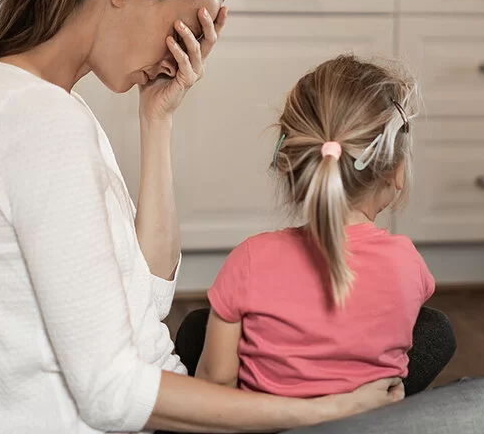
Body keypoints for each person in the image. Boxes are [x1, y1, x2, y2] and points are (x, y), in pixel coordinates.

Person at [0, 0, 484, 431]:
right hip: (139, 417)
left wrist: (158, 120)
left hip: (154, 399)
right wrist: (327, 409)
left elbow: (147, 298)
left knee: (415, 335)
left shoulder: (49, 107)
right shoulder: (39, 128)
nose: (185, 54)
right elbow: (111, 394)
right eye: (186, 26)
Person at [189, 55, 446, 397]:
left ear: (291, 165)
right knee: (436, 328)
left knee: (196, 328)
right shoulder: (407, 262)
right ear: (395, 170)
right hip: (372, 424)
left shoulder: (250, 259)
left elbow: (217, 380)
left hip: (267, 424)